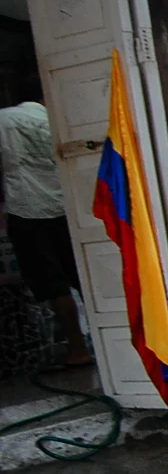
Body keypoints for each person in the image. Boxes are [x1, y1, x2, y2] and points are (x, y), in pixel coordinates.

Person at [0, 75, 91, 369]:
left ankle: (77, 349)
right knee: (89, 280)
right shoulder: (62, 121)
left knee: (54, 285)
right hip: (70, 210)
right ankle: (114, 345)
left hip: (28, 211)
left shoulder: (5, 119)